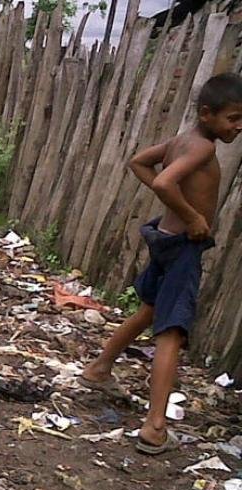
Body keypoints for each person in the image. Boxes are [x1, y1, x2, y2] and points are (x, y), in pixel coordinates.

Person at [79, 72, 242, 455]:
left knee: (150, 310)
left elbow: (139, 163)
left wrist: (179, 216)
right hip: (183, 246)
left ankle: (99, 368)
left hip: (163, 239)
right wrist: (193, 218)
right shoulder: (201, 148)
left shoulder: (182, 140)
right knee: (171, 331)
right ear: (206, 114)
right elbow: (165, 183)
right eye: (233, 118)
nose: (239, 125)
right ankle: (155, 426)